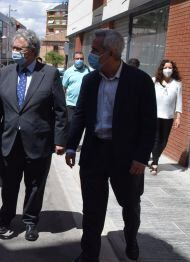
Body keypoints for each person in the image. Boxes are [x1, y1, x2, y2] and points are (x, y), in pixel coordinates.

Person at [65, 29, 156, 261]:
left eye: (95, 50)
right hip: (95, 153)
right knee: (92, 210)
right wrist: (71, 145)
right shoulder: (90, 80)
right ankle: (89, 254)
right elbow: (80, 115)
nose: (90, 55)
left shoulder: (140, 81)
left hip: (126, 157)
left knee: (130, 205)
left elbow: (149, 124)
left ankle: (131, 237)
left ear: (112, 52)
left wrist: (141, 157)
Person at [0, 29, 68, 242]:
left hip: (38, 141)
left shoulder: (49, 74)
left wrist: (60, 140)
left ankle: (31, 221)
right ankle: (5, 219)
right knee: (9, 184)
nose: (14, 52)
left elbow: (60, 110)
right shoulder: (5, 73)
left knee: (35, 185)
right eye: (13, 48)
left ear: (32, 51)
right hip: (9, 141)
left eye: (18, 49)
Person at [150, 60, 182, 175]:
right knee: (156, 139)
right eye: (166, 67)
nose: (168, 70)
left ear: (173, 70)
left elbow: (179, 102)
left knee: (164, 141)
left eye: (170, 67)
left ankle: (154, 158)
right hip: (155, 116)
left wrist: (178, 117)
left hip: (168, 117)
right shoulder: (154, 81)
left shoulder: (177, 83)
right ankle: (155, 163)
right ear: (161, 68)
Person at [62, 51, 91, 126]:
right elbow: (63, 89)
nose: (79, 60)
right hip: (71, 105)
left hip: (84, 105)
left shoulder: (89, 71)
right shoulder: (68, 72)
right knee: (71, 126)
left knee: (82, 127)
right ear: (73, 59)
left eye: (81, 58)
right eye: (77, 58)